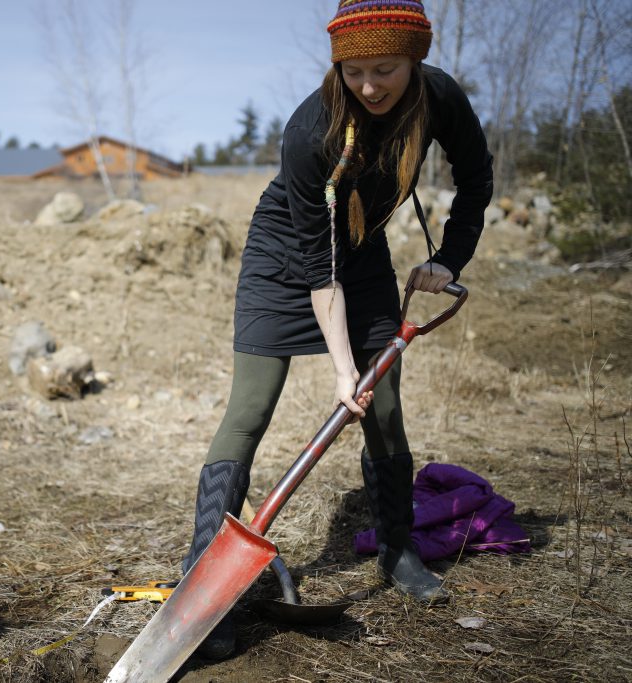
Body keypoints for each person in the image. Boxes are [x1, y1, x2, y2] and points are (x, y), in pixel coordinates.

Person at [182, 0, 493, 660]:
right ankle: (203, 579)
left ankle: (398, 550)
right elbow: (318, 268)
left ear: (415, 59)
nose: (370, 87)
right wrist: (342, 367)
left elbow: (476, 178)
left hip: (364, 250)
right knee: (250, 408)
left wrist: (450, 258)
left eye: (385, 69)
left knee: (385, 409)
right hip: (285, 256)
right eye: (354, 72)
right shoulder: (311, 130)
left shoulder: (438, 98)